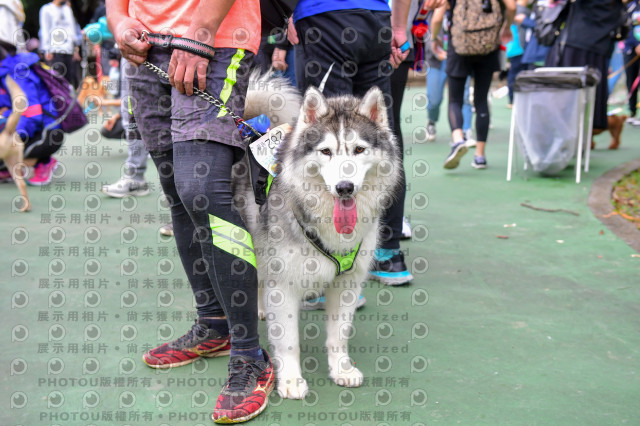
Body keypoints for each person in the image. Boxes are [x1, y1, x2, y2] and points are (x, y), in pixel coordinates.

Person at [106, 0, 270, 423]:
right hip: (145, 45)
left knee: (203, 191)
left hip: (214, 36)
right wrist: (120, 21)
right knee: (177, 192)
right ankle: (213, 322)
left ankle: (250, 354)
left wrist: (198, 32)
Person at [292, 0, 446, 286]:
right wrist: (398, 27)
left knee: (327, 140)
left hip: (325, 18)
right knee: (381, 137)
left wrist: (286, 12)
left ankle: (333, 272)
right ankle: (389, 255)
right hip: (377, 19)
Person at [431, 0, 515, 170]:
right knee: (481, 101)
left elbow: (437, 18)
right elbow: (512, 7)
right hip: (488, 47)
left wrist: (434, 38)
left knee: (455, 99)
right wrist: (506, 27)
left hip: (459, 46)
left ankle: (458, 139)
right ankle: (480, 156)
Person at [545, 0, 626, 134]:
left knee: (569, 92)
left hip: (578, 41)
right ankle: (585, 134)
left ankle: (572, 134)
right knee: (592, 91)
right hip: (601, 43)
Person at [424, 7, 473, 142]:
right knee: (434, 99)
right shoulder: (431, 9)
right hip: (437, 61)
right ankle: (431, 122)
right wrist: (437, 52)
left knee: (465, 97)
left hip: (459, 58)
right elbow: (426, 34)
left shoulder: (464, 7)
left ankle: (466, 130)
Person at [39, 0, 82, 88]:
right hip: (54, 50)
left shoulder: (67, 9)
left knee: (70, 81)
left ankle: (69, 100)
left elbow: (72, 30)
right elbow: (45, 30)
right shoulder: (46, 9)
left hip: (68, 50)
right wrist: (46, 50)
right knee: (56, 80)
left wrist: (76, 49)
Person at [623, 0, 640, 126]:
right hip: (630, 50)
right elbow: (625, 27)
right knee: (631, 80)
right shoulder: (631, 7)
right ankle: (632, 112)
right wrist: (636, 45)